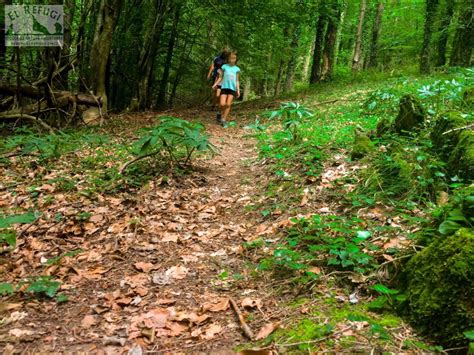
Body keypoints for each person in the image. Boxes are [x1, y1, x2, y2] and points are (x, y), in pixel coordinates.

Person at [212, 50, 240, 126]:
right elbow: (220, 77)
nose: (232, 59)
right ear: (228, 58)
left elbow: (237, 80)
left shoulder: (237, 69)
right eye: (231, 57)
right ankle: (219, 113)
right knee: (222, 103)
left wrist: (238, 90)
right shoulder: (224, 67)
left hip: (232, 89)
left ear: (236, 59)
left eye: (234, 58)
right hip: (224, 87)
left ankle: (223, 119)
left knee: (228, 104)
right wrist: (215, 84)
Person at [207, 48, 230, 112]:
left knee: (220, 93)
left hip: (223, 77)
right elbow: (212, 66)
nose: (225, 54)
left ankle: (218, 106)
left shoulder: (227, 60)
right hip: (215, 76)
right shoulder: (216, 58)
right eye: (225, 53)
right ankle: (214, 105)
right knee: (215, 92)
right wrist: (209, 74)